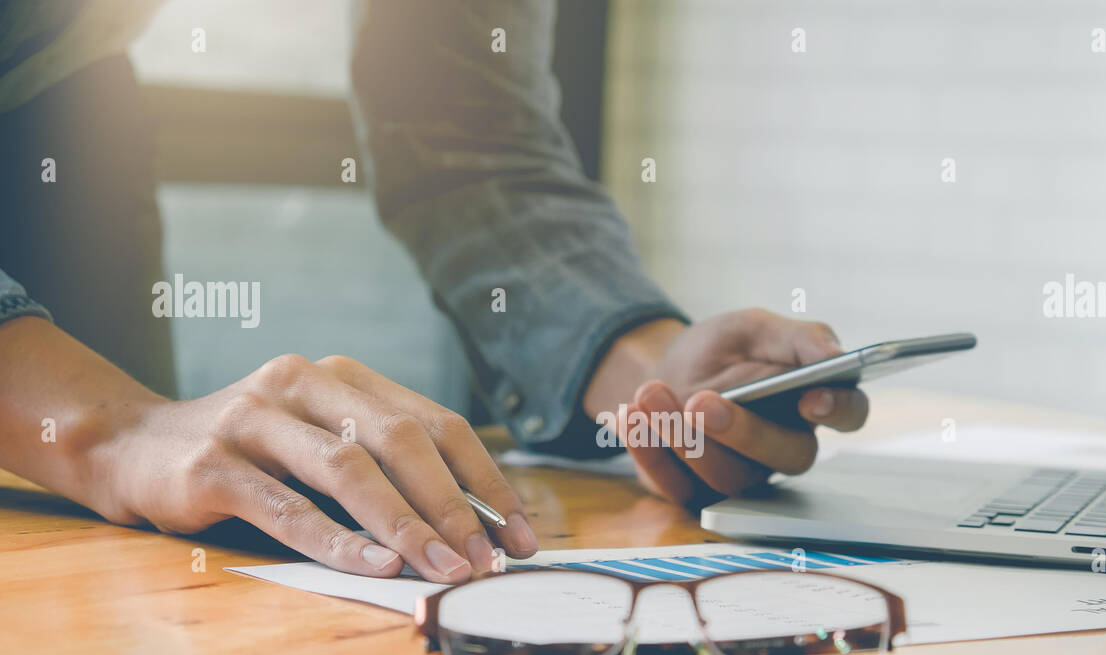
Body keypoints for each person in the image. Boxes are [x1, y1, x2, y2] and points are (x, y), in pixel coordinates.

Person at [0, 0, 868, 584]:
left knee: (127, 595)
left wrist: (647, 382)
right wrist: (110, 428)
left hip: (57, 104)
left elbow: (465, 122)